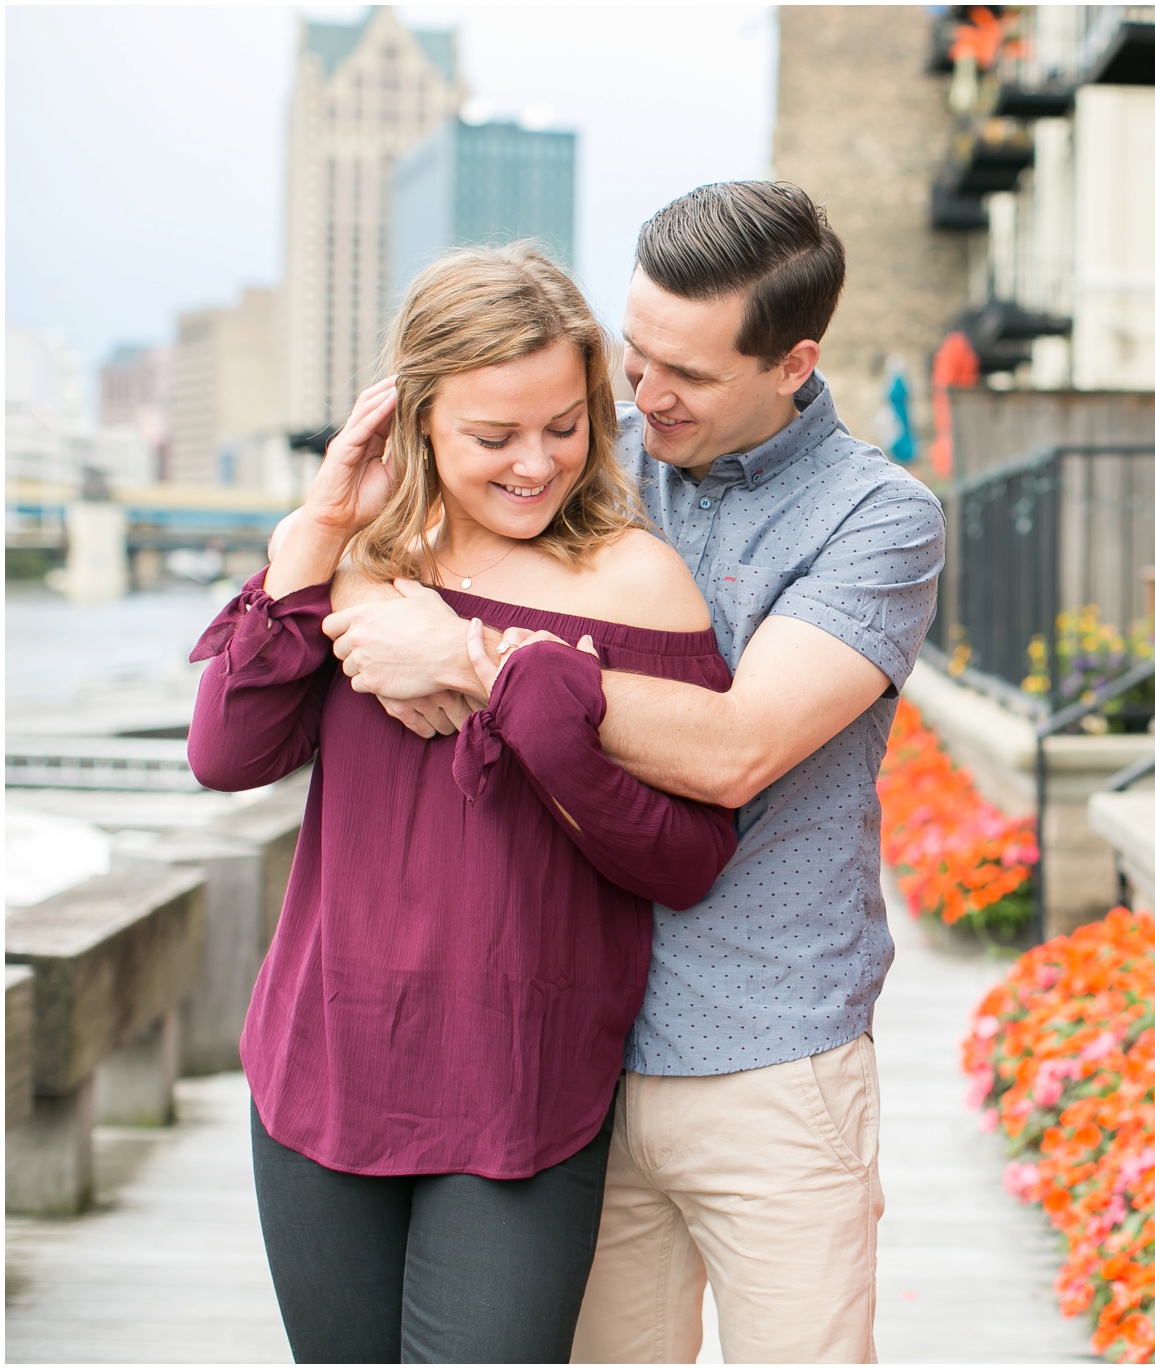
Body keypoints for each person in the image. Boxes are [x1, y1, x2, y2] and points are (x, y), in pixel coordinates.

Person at [304, 182, 945, 1362]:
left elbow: (739, 745)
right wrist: (357, 593)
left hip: (768, 1055)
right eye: (633, 356)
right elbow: (385, 555)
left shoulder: (876, 519)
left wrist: (485, 660)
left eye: (686, 376)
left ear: (794, 361)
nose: (644, 400)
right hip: (563, 1066)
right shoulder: (582, 456)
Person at [188, 245, 739, 1364]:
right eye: (494, 436)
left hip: (519, 1086)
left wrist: (528, 692)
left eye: (564, 425)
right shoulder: (359, 566)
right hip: (323, 1064)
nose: (536, 464)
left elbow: (683, 860)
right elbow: (228, 753)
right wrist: (314, 531)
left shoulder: (638, 583)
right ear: (418, 419)